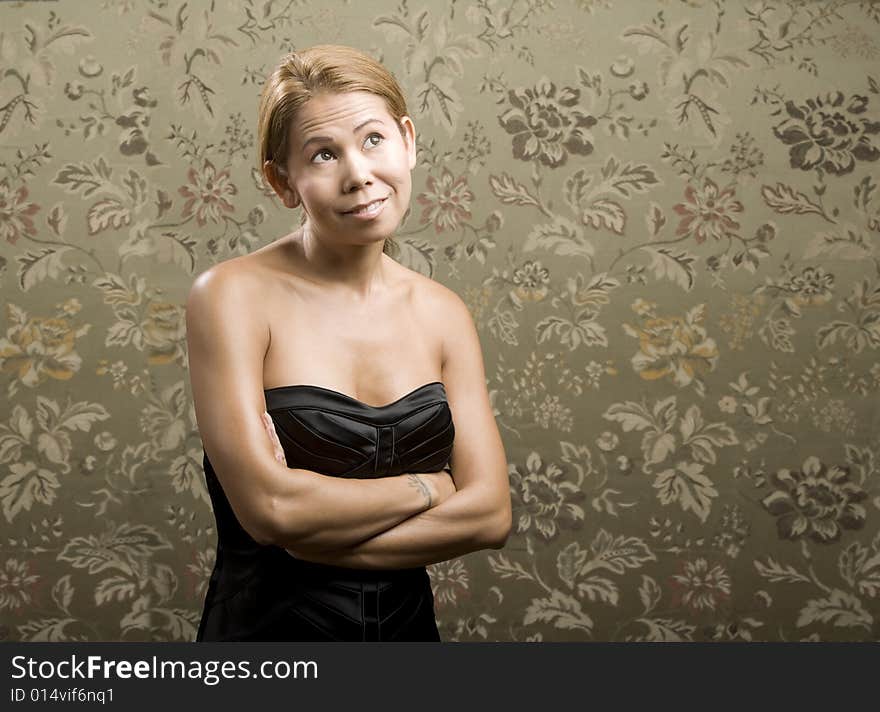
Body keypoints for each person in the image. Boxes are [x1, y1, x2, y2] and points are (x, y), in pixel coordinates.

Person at [185, 44, 512, 641]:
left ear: (408, 141)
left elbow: (490, 514)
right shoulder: (229, 297)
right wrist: (430, 487)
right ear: (282, 181)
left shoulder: (443, 314)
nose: (358, 173)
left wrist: (314, 533)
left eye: (373, 140)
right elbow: (271, 512)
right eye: (323, 154)